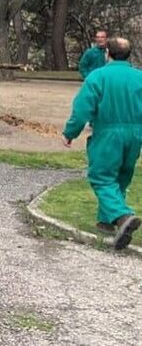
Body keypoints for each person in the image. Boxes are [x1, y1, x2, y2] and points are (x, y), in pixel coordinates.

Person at [63, 37, 142, 250]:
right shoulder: (139, 77)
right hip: (135, 135)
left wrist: (70, 132)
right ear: (129, 54)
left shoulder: (98, 76)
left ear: (107, 53)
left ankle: (122, 216)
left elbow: (82, 109)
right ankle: (106, 221)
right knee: (121, 177)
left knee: (101, 177)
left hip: (108, 132)